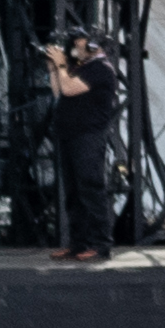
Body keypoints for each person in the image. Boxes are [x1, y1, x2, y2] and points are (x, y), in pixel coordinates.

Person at [40, 45, 122, 268]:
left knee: (91, 187)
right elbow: (59, 92)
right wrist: (54, 70)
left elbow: (68, 89)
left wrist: (61, 65)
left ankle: (100, 244)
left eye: (78, 46)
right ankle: (79, 243)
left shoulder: (101, 69)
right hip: (70, 135)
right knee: (73, 191)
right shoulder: (79, 68)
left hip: (89, 136)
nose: (74, 50)